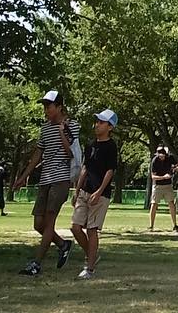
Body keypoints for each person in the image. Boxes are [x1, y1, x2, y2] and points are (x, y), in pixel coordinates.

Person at [13, 90, 80, 276]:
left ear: (59, 107)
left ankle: (36, 263)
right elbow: (37, 155)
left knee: (50, 221)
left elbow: (70, 153)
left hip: (61, 179)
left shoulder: (71, 125)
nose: (46, 110)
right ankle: (63, 244)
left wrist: (62, 132)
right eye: (44, 106)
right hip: (45, 178)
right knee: (38, 223)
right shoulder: (44, 128)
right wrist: (23, 176)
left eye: (49, 106)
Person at [71, 109, 118, 279]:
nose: (97, 125)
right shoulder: (90, 145)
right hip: (84, 191)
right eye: (97, 121)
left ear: (110, 127)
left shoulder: (111, 147)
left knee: (92, 230)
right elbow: (85, 168)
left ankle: (89, 268)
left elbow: (110, 171)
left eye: (101, 122)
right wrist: (76, 191)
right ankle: (92, 254)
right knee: (75, 227)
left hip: (100, 194)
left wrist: (99, 191)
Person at [149, 145, 178, 232]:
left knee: (171, 204)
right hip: (158, 186)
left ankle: (175, 225)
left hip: (168, 185)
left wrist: (175, 169)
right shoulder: (154, 161)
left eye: (163, 155)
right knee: (154, 204)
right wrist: (163, 177)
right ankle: (151, 226)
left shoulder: (170, 158)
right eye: (160, 155)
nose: (162, 157)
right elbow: (153, 176)